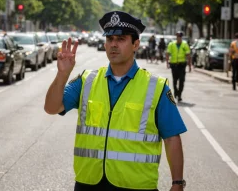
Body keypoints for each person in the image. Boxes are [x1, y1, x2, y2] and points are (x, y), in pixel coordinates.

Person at [44, 11, 187, 191]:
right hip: (88, 184)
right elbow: (51, 107)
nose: (113, 45)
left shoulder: (156, 87)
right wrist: (62, 74)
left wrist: (177, 183)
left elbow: (172, 138)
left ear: (136, 44)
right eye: (109, 39)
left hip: (136, 186)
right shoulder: (87, 80)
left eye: (120, 39)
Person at [166, 31, 191, 102]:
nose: (178, 38)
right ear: (176, 37)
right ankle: (175, 92)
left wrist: (189, 66)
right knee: (174, 80)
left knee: (182, 80)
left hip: (182, 65)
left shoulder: (185, 44)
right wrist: (167, 63)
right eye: (177, 37)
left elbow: (188, 55)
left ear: (181, 37)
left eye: (180, 37)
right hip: (174, 65)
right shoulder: (171, 44)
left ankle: (179, 94)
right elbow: (167, 53)